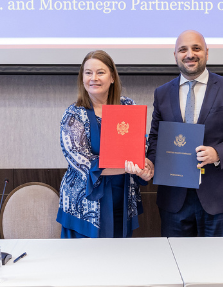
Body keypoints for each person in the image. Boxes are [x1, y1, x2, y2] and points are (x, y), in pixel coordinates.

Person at [146, 30, 223, 287]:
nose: (189, 54)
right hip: (175, 198)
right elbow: (155, 139)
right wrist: (150, 162)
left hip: (219, 198)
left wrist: (218, 152)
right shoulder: (162, 93)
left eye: (196, 48)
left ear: (207, 53)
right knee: (177, 272)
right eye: (183, 49)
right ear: (175, 55)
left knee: (218, 271)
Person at [57, 50, 154, 238]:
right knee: (84, 257)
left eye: (100, 72)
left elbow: (140, 146)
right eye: (88, 73)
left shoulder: (129, 106)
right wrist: (131, 167)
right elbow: (84, 164)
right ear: (82, 78)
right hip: (85, 207)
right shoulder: (73, 115)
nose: (94, 78)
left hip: (122, 202)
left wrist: (145, 167)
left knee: (118, 255)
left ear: (112, 77)